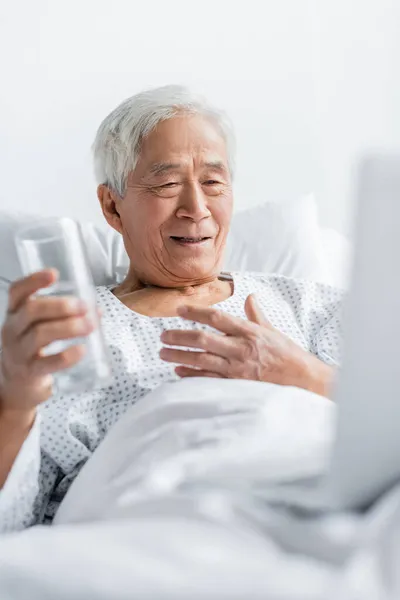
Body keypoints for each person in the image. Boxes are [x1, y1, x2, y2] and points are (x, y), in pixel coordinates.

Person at [0, 85, 342, 533]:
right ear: (112, 206)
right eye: (167, 184)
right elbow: (13, 522)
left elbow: (383, 428)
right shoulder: (66, 335)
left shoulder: (309, 306)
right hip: (156, 528)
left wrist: (305, 376)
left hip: (311, 509)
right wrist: (15, 404)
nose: (196, 208)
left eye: (214, 183)